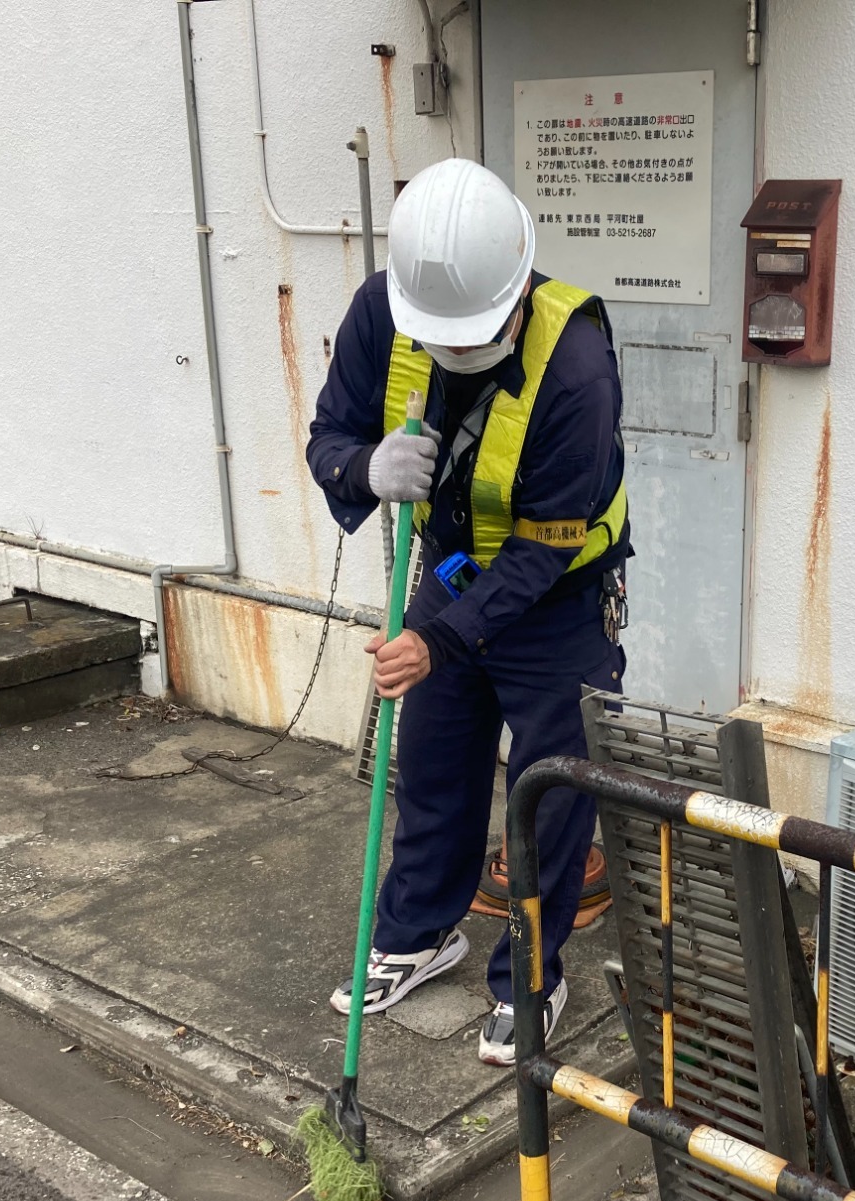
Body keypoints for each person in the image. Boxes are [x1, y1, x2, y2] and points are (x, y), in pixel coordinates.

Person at [306, 157, 630, 1066]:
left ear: (518, 284)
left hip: (558, 598)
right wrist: (362, 468)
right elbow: (328, 433)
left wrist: (435, 641)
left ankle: (532, 975)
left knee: (548, 793)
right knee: (434, 764)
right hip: (447, 572)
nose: (451, 353)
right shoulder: (387, 306)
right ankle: (416, 933)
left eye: (471, 339)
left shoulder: (576, 367)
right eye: (439, 340)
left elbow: (540, 551)